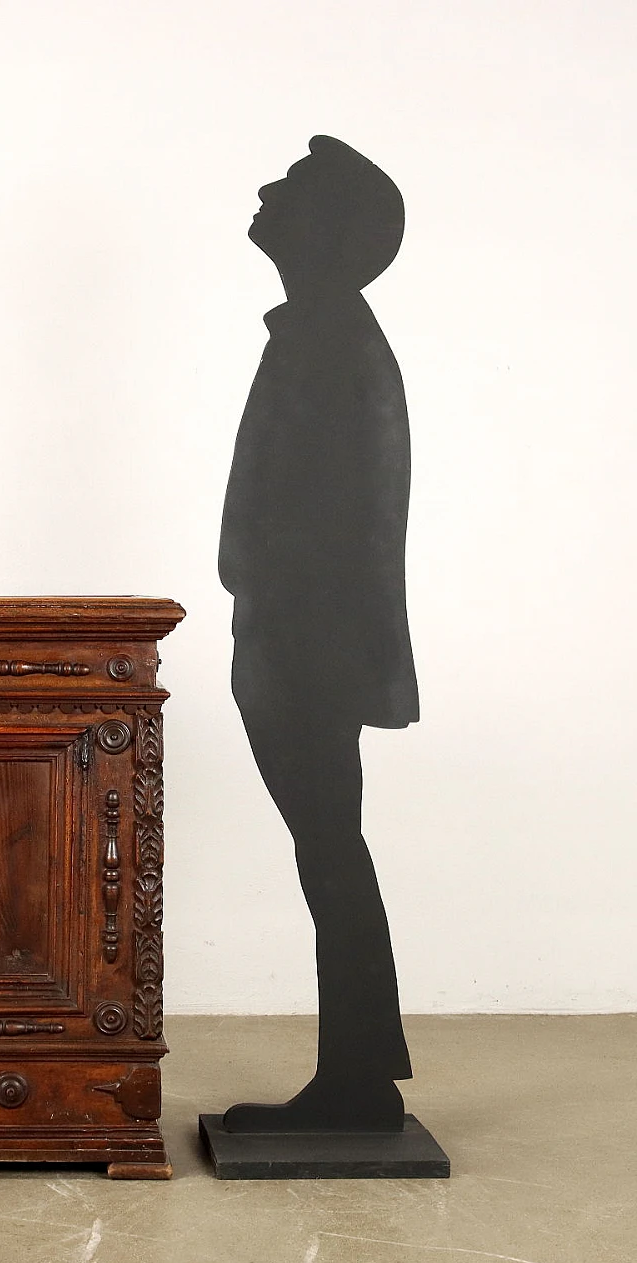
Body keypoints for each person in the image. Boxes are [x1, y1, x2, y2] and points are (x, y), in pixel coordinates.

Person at [219, 135, 418, 1132]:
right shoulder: (321, 333)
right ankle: (359, 1068)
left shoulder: (328, 340)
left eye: (290, 189)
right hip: (295, 635)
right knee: (328, 845)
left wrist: (276, 624)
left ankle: (355, 1078)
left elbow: (336, 516)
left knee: (328, 845)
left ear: (330, 232)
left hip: (306, 643)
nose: (263, 189)